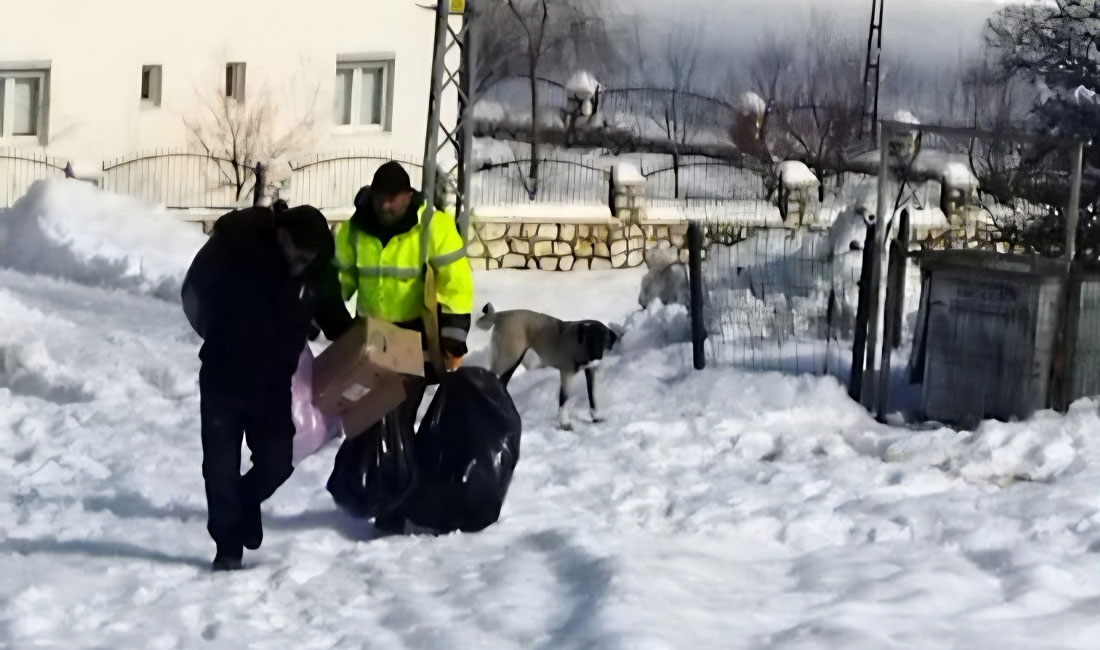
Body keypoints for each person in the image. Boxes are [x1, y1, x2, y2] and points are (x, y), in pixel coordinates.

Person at [182, 203, 353, 571]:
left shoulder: (317, 273)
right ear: (282, 235)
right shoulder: (246, 252)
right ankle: (228, 546)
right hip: (223, 376)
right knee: (219, 466)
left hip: (272, 384)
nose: (299, 261)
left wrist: (373, 346)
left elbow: (338, 324)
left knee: (277, 461)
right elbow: (201, 294)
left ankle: (246, 499)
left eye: (308, 257)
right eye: (295, 250)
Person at [332, 161, 474, 531]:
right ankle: (384, 491)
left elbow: (457, 285)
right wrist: (323, 320)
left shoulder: (434, 227)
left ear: (409, 196)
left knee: (395, 416)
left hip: (413, 337)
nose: (387, 206)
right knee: (370, 419)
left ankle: (392, 504)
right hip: (371, 336)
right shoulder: (353, 230)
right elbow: (339, 284)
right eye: (381, 198)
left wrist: (453, 339)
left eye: (394, 199)